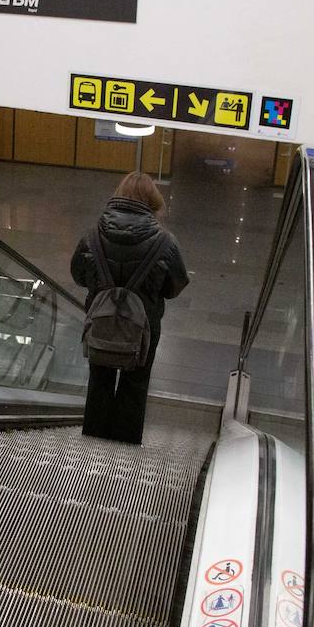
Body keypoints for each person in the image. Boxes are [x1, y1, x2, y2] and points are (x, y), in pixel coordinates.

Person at [70, 171, 189, 444]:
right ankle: (125, 443)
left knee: (99, 380)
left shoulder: (92, 235)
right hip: (143, 325)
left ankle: (92, 444)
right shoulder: (165, 242)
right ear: (153, 201)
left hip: (101, 320)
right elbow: (175, 286)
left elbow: (78, 274)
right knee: (135, 384)